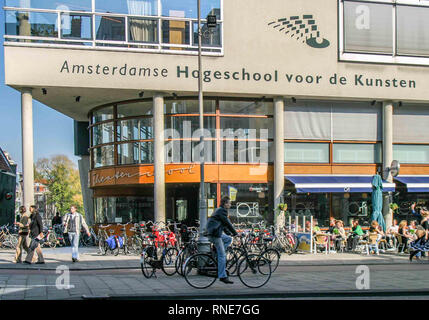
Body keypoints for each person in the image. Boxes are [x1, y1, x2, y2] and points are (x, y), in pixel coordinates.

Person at [206, 196, 238, 284]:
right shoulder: (222, 211)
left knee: (228, 239)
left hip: (215, 233)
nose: (230, 205)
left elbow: (223, 225)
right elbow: (227, 223)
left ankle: (218, 252)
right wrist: (235, 233)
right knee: (222, 255)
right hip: (214, 234)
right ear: (225, 204)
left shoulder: (220, 210)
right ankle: (222, 276)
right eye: (229, 203)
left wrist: (230, 233)